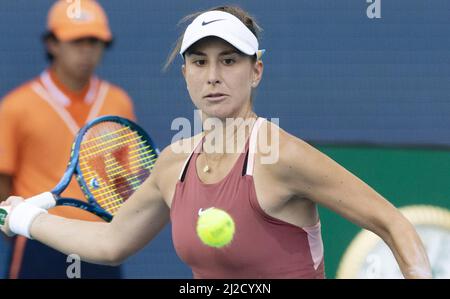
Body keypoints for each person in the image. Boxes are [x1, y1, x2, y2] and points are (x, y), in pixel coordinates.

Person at [1, 5, 432, 279]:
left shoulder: (281, 155)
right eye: (199, 62)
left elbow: (392, 223)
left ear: (255, 72)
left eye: (229, 61)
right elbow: (111, 243)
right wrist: (24, 219)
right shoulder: (173, 164)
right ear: (185, 73)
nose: (213, 75)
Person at [0, 0, 136, 278]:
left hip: (100, 241)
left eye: (94, 41)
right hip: (38, 238)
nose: (87, 50)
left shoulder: (118, 102)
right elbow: (2, 179)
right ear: (52, 44)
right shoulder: (16, 106)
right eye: (76, 41)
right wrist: (16, 221)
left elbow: (125, 181)